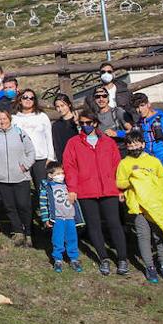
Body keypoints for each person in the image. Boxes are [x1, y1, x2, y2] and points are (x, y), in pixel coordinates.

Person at [62, 111, 129, 275]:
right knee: (94, 226)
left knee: (114, 224)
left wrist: (120, 188)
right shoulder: (73, 143)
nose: (85, 126)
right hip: (86, 190)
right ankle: (103, 258)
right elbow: (70, 167)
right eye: (82, 123)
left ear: (95, 123)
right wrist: (72, 189)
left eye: (88, 122)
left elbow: (117, 166)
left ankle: (122, 258)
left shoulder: (108, 142)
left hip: (109, 189)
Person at [116, 129, 163, 284]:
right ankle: (150, 266)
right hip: (138, 207)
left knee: (160, 235)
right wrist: (133, 180)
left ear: (143, 144)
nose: (134, 147)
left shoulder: (153, 161)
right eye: (130, 145)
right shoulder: (124, 163)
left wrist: (152, 184)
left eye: (136, 143)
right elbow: (120, 182)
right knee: (143, 236)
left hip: (156, 206)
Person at [0, 109, 36, 245]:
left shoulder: (20, 133)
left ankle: (28, 232)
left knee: (23, 205)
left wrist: (25, 165)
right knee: (9, 206)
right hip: (2, 178)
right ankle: (17, 231)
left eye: (4, 118)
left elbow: (31, 151)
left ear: (10, 119)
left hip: (21, 176)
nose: (2, 121)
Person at [38, 161, 84, 273]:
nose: (61, 175)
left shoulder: (68, 185)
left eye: (62, 172)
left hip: (70, 217)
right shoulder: (47, 187)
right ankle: (58, 259)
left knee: (72, 238)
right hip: (57, 219)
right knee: (57, 239)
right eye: (58, 173)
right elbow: (43, 204)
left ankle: (73, 258)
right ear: (50, 175)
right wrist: (45, 219)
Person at [11, 89, 54, 203]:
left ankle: (47, 218)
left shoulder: (42, 116)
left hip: (40, 158)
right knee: (23, 192)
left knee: (43, 189)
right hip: (22, 159)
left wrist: (50, 157)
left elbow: (49, 137)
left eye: (31, 98)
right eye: (25, 97)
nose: (28, 100)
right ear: (20, 100)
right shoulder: (14, 118)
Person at [129, 93, 163, 174]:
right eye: (137, 107)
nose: (140, 110)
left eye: (142, 105)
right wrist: (117, 133)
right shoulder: (139, 125)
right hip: (149, 167)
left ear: (148, 104)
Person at [50, 95, 80, 169]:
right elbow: (57, 147)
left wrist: (78, 124)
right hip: (67, 161)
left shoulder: (79, 120)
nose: (60, 109)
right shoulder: (56, 125)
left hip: (81, 157)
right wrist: (61, 163)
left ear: (69, 105)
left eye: (62, 105)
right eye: (58, 107)